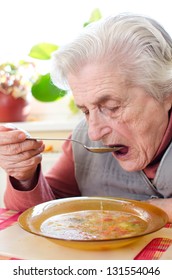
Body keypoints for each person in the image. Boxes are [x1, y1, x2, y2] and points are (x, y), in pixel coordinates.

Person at [1, 13, 172, 222]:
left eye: (112, 107)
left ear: (166, 93)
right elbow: (45, 213)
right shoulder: (82, 139)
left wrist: (157, 209)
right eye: (85, 110)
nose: (94, 132)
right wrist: (25, 176)